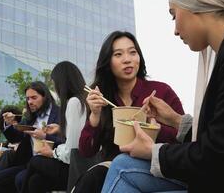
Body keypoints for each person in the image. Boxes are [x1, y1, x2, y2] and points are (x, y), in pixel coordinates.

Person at [102, 0, 224, 192]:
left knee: (121, 167)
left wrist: (153, 152)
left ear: (197, 5)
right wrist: (175, 120)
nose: (175, 31)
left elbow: (220, 153)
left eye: (173, 15)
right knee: (118, 166)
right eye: (118, 54)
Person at [73, 31, 185, 192]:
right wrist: (95, 115)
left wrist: (152, 128)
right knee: (94, 178)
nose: (127, 59)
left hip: (156, 168)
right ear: (108, 62)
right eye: (118, 54)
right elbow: (86, 150)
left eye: (133, 52)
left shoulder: (160, 91)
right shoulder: (102, 97)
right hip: (113, 168)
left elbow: (183, 138)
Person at [21, 61, 87, 193]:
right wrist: (60, 128)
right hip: (80, 164)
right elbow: (79, 134)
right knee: (36, 181)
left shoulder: (74, 103)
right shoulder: (83, 100)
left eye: (55, 83)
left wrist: (52, 153)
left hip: (77, 168)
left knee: (36, 161)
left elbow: (72, 151)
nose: (55, 87)